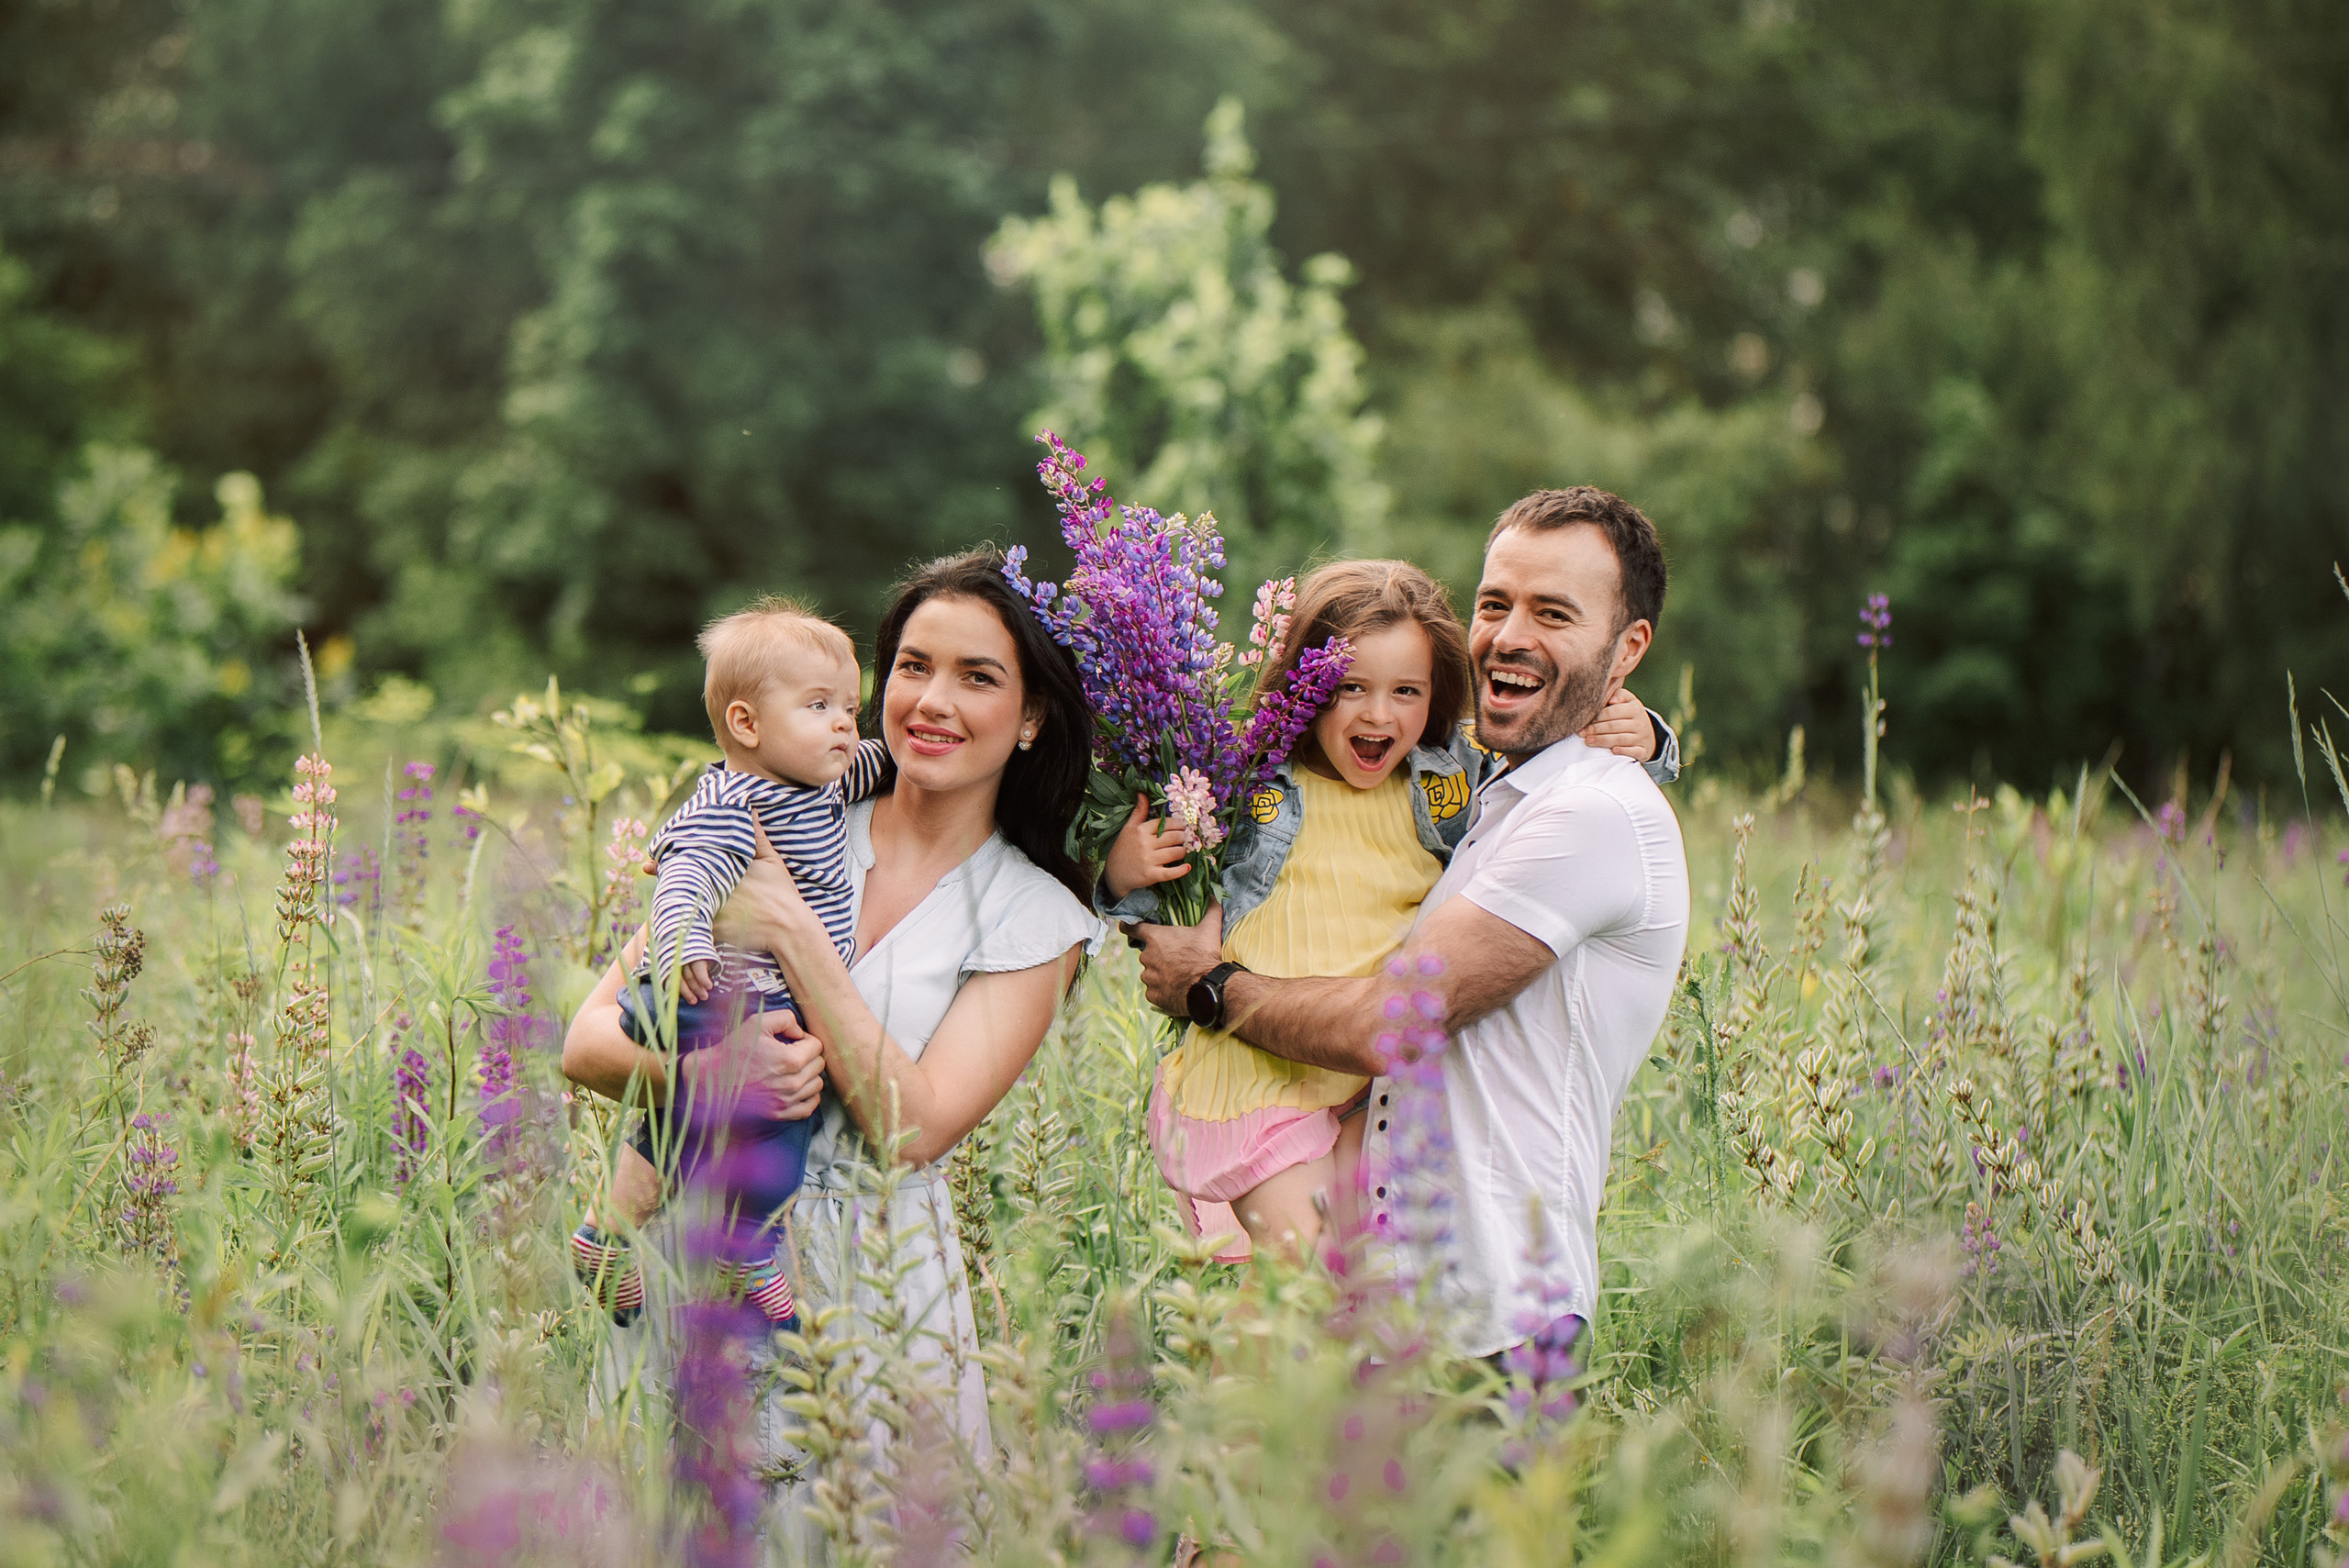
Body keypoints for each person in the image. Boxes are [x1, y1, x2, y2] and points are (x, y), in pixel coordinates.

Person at [562, 548, 1104, 1463]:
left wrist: (792, 929)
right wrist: (706, 1074)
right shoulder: (786, 805)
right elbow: (586, 1041)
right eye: (912, 667)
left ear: (1030, 718)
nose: (931, 699)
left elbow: (915, 1128)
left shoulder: (1036, 917)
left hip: (878, 1281)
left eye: (977, 677)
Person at [1134, 488, 1691, 1370]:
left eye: (1553, 612)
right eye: (1495, 603)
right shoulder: (1491, 798)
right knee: (1276, 1391)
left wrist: (1210, 987)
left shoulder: (1584, 811)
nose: (1510, 635)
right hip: (1409, 1292)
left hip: (1495, 1323)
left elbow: (1381, 1026)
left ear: (1628, 648)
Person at [569, 597, 886, 1331]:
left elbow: (883, 758)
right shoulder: (731, 802)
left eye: (850, 706)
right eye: (820, 705)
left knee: (681, 1123)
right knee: (778, 1114)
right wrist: (687, 942)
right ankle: (746, 1243)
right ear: (746, 724)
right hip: (718, 993)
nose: (846, 722)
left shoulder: (821, 781)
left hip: (741, 994)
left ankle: (607, 1233)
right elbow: (686, 878)